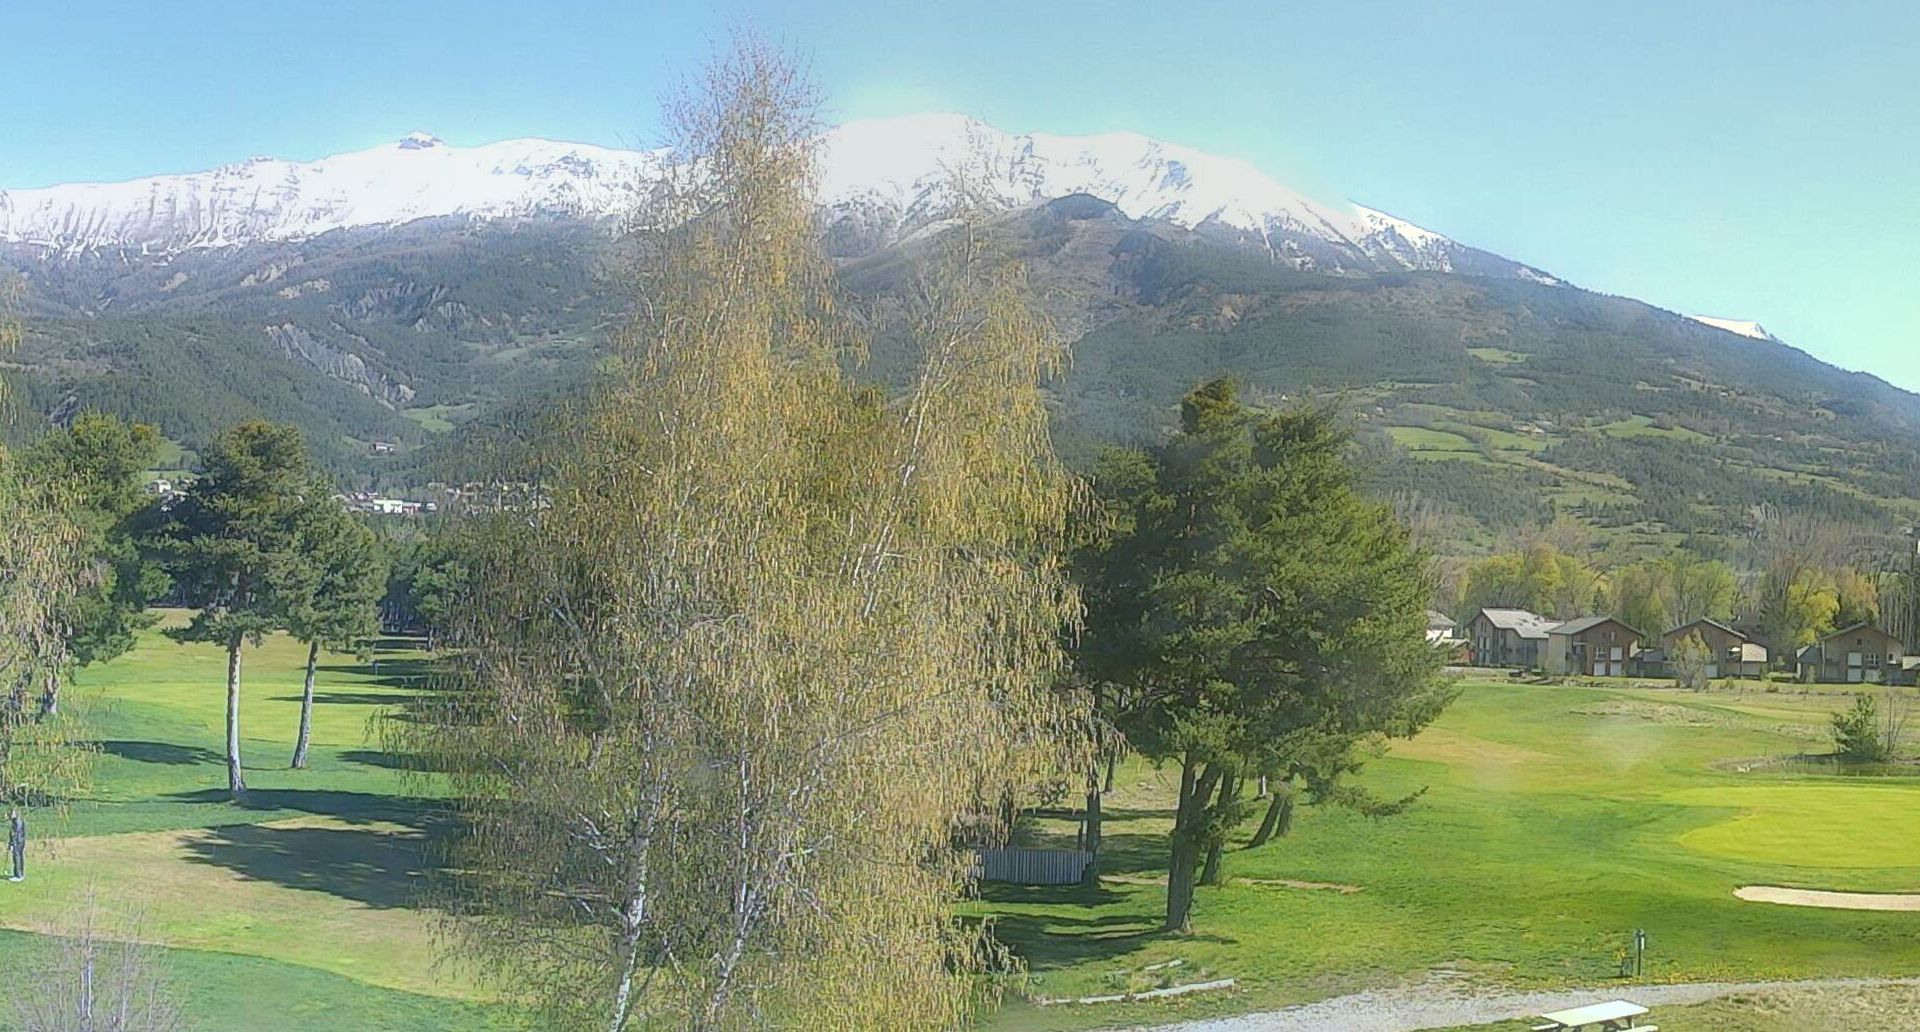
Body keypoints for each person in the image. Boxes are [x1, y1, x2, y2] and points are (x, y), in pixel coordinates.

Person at [7, 808, 23, 882]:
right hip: (20, 841)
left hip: (17, 842)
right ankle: (20, 874)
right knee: (19, 857)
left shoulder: (16, 821)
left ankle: (18, 875)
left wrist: (12, 844)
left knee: (16, 858)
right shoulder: (17, 820)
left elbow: (14, 834)